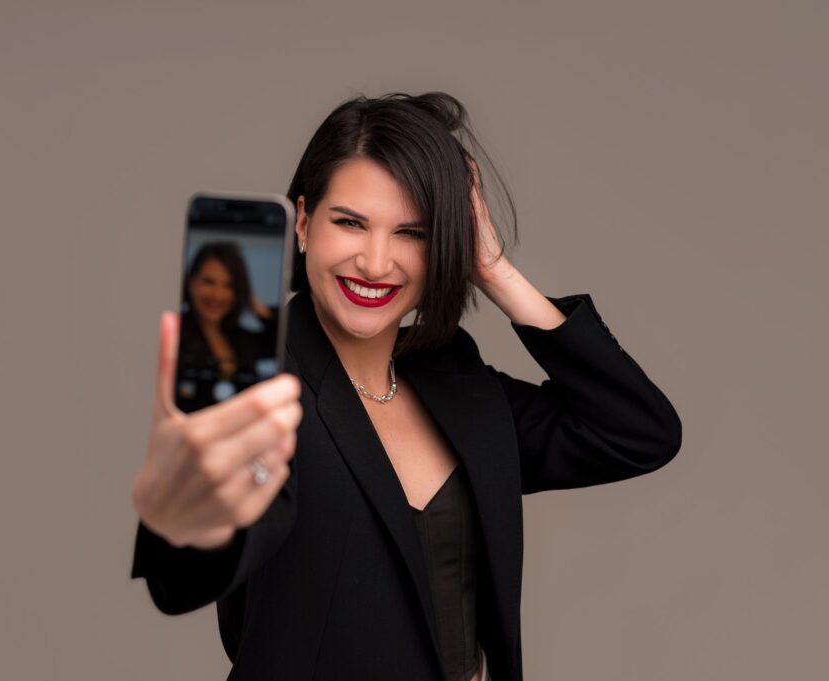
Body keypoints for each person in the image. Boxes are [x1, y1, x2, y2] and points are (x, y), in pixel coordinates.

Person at [130, 92, 682, 681]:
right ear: (304, 222)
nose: (375, 262)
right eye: (350, 223)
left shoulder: (454, 378)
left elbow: (637, 432)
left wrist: (495, 271)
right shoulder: (266, 395)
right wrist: (181, 518)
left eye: (412, 233)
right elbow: (191, 570)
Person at [175, 241, 280, 412]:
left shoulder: (241, 338)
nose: (217, 295)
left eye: (229, 286)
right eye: (209, 282)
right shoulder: (177, 332)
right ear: (191, 282)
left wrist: (257, 307)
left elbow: (281, 342)